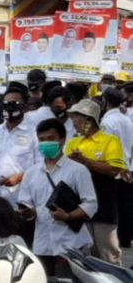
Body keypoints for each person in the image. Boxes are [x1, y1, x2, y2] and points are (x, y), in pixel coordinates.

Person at [17, 118, 97, 276]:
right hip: (42, 244)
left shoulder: (78, 171)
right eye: (41, 140)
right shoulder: (31, 174)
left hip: (70, 245)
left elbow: (91, 204)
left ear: (62, 139)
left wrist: (68, 216)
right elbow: (25, 203)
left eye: (51, 139)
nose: (45, 143)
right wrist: (27, 213)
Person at [65, 98, 126, 264]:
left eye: (76, 117)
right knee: (83, 259)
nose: (74, 122)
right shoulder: (73, 142)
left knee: (108, 257)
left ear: (88, 119)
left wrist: (86, 161)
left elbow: (114, 171)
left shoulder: (110, 141)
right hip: (78, 209)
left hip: (103, 208)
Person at [0, 85, 41, 207]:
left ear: (24, 107)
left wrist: (19, 178)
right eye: (6, 104)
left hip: (22, 201)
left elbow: (40, 166)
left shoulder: (34, 133)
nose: (10, 108)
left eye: (14, 104)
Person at [99, 87, 133, 248]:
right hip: (126, 166)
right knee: (125, 205)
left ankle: (118, 238)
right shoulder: (126, 119)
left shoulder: (107, 122)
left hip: (113, 168)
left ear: (105, 101)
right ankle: (125, 237)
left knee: (115, 206)